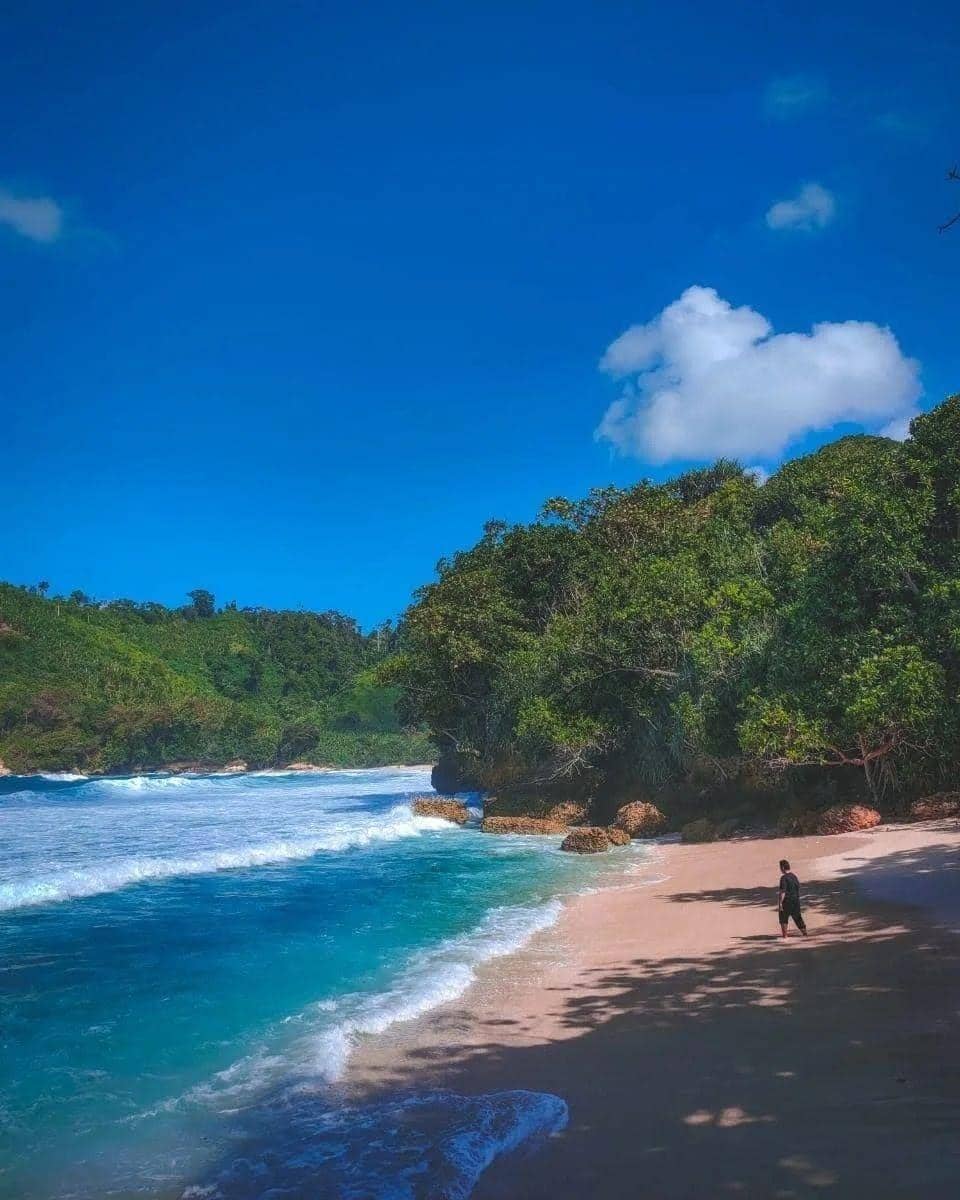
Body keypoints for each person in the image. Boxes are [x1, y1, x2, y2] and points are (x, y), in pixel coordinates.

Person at [778, 858, 807, 938]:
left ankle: (785, 936)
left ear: (783, 868)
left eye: (780, 867)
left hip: (787, 901)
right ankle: (804, 933)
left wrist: (780, 903)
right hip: (796, 900)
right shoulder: (794, 876)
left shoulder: (783, 878)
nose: (780, 869)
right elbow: (798, 888)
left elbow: (783, 891)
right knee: (797, 917)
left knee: (783, 917)